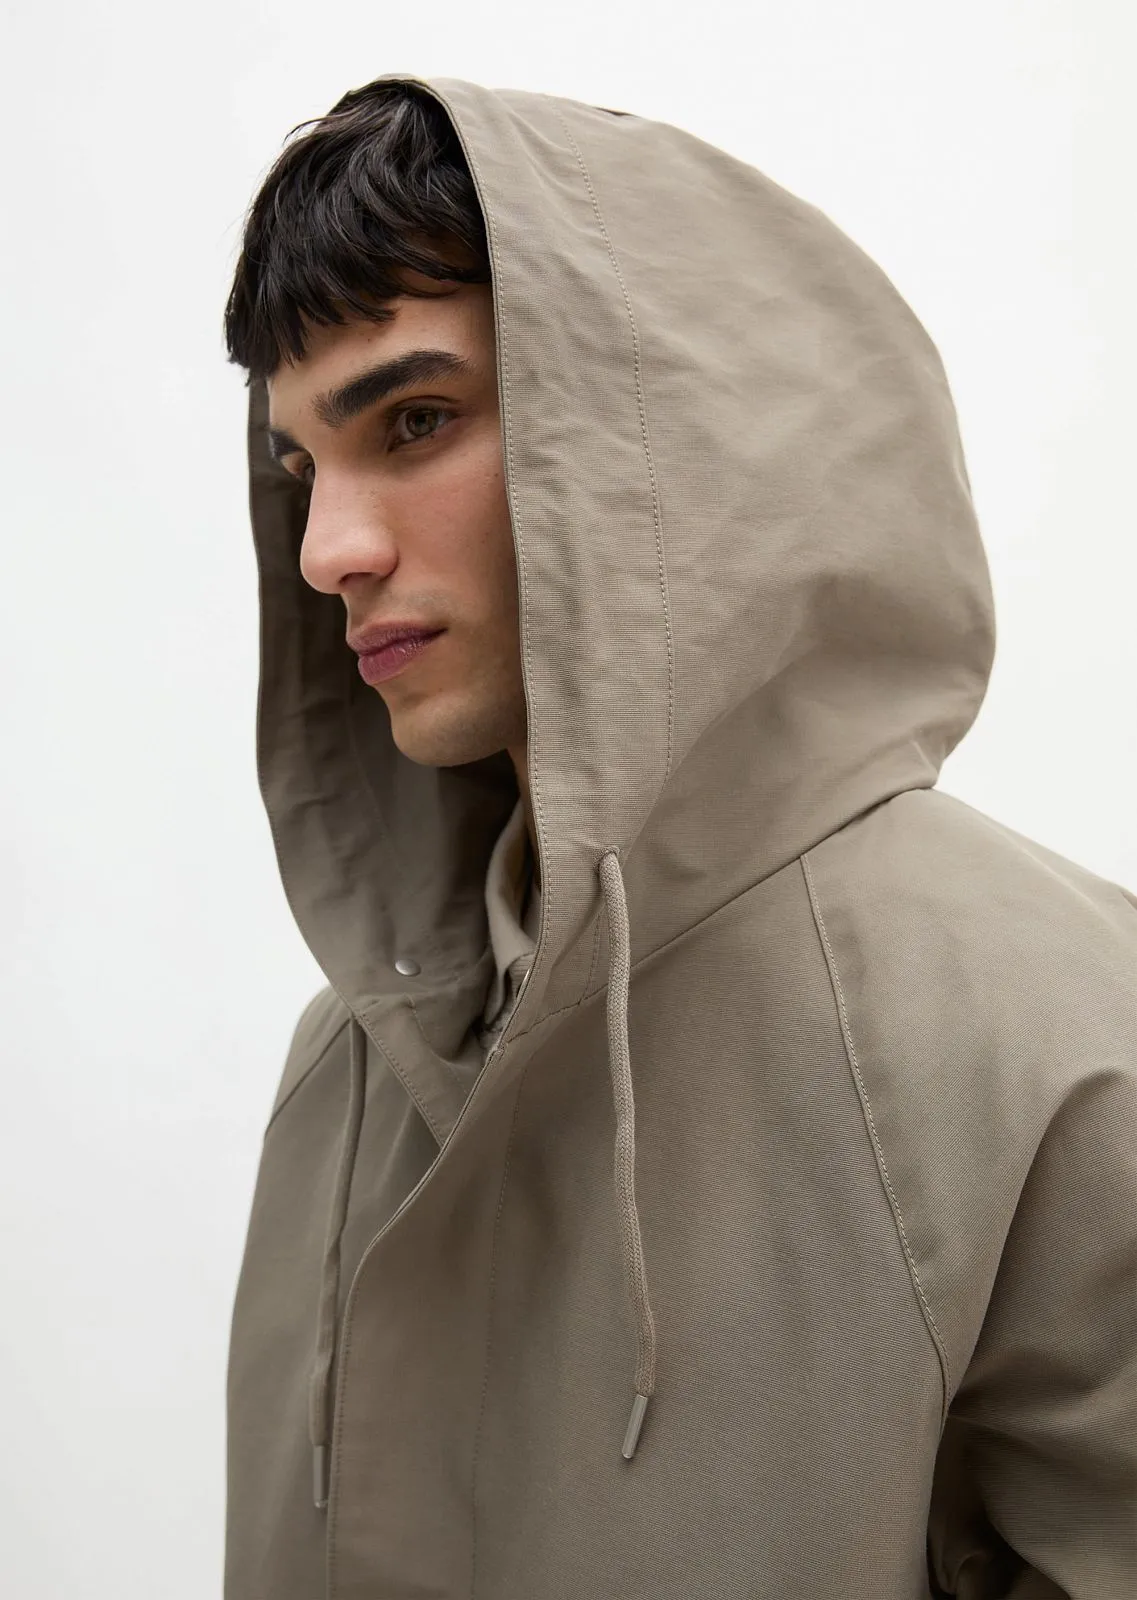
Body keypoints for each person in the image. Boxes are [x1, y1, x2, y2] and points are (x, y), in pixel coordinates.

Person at [220, 73, 1137, 1599]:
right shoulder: (355, 1060)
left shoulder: (1051, 1035)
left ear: (668, 439)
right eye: (303, 467)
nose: (330, 551)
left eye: (418, 420)